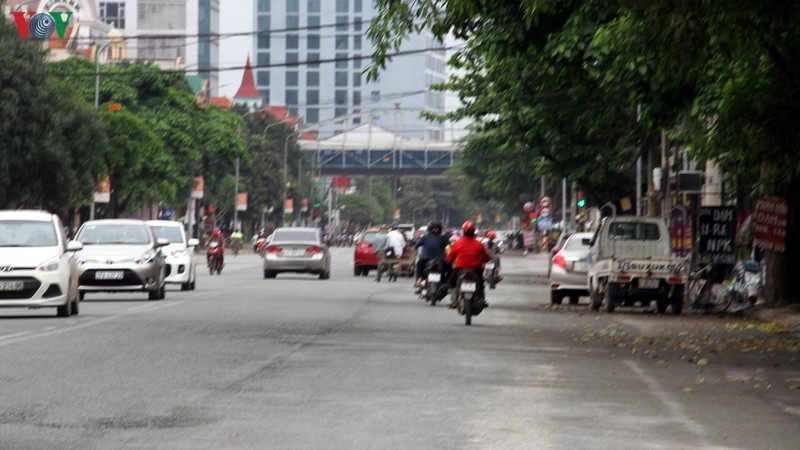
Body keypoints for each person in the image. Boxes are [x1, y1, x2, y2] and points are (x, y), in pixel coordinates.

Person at [435, 220, 493, 308]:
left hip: (460, 268)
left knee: (451, 282)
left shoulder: (457, 243)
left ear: (463, 231)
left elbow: (450, 258)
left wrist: (448, 263)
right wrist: (487, 260)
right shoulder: (479, 244)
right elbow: (486, 257)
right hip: (476, 269)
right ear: (474, 231)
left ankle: (454, 301)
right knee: (480, 284)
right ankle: (482, 300)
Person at [414, 221, 448, 288]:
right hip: (440, 260)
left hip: (426, 259)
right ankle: (446, 283)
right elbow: (448, 245)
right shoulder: (442, 237)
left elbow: (417, 245)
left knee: (419, 264)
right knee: (448, 268)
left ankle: (419, 279)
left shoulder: (425, 237)